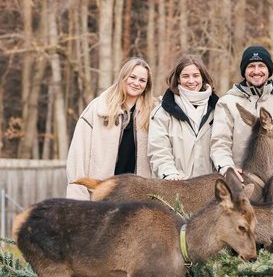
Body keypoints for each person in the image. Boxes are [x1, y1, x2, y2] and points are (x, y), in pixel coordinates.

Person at [66, 57, 154, 199]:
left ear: (147, 85)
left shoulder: (153, 113)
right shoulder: (98, 108)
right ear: (123, 77)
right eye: (132, 77)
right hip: (102, 193)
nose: (136, 83)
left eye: (142, 80)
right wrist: (78, 196)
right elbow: (79, 154)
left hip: (137, 198)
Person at [210, 45, 273, 181]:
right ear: (244, 71)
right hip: (239, 181)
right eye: (251, 66)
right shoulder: (227, 102)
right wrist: (227, 168)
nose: (256, 71)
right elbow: (220, 142)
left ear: (269, 69)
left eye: (261, 65)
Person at [148, 55, 218, 180]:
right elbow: (158, 150)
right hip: (175, 185)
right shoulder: (163, 111)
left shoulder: (217, 109)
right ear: (178, 79)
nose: (191, 81)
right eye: (185, 76)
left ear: (203, 78)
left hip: (209, 186)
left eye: (196, 75)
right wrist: (169, 173)